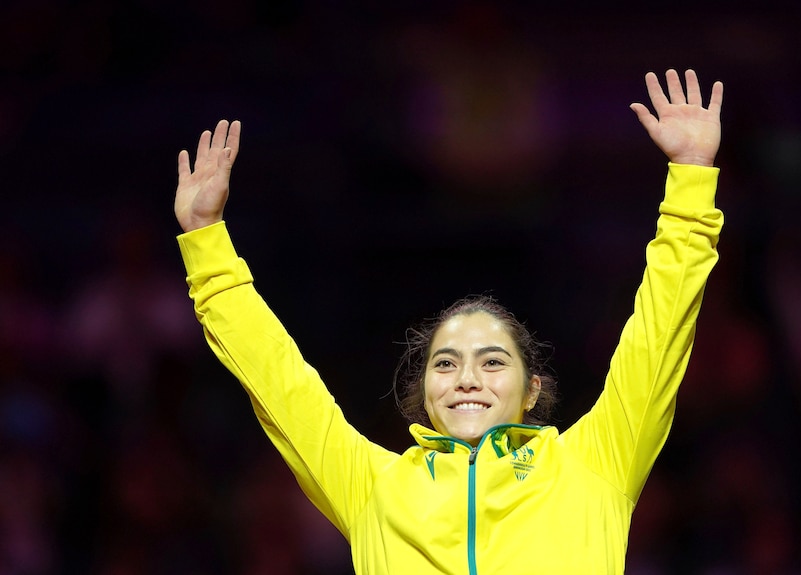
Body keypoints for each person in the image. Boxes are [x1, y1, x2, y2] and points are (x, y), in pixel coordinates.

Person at [174, 68, 724, 574]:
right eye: (446, 362)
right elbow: (278, 382)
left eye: (492, 361)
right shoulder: (373, 489)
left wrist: (692, 180)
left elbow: (660, 332)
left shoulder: (596, 464)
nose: (467, 378)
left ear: (532, 388)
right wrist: (206, 241)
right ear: (426, 389)